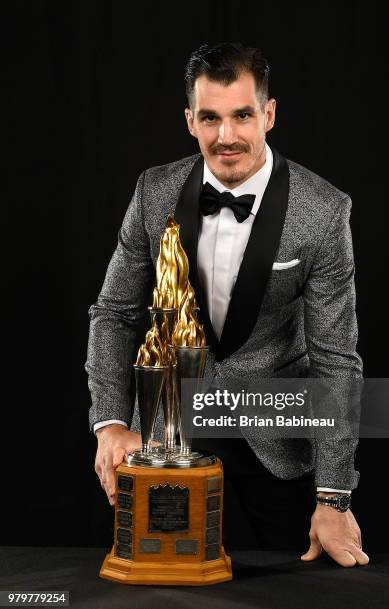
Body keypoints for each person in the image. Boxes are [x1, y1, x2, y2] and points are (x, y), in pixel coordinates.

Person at [86, 42, 369, 567]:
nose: (227, 136)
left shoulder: (325, 211)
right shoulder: (154, 191)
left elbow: (336, 360)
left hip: (279, 441)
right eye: (211, 118)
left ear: (269, 113)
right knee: (155, 592)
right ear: (190, 120)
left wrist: (334, 496)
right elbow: (115, 313)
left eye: (242, 115)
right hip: (167, 438)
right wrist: (109, 423)